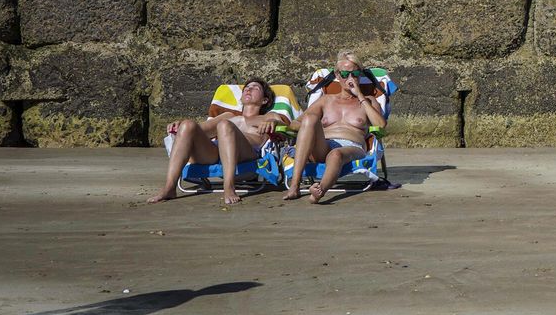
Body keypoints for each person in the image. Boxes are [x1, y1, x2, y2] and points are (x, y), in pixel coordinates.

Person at [150, 79, 291, 205]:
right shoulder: (228, 116)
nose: (249, 89)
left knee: (225, 125)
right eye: (247, 88)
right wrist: (180, 126)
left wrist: (273, 123)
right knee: (188, 125)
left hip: (247, 156)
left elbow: (282, 127)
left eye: (255, 88)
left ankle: (228, 186)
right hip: (216, 154)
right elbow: (200, 129)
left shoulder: (268, 117)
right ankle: (169, 187)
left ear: (264, 100)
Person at [285, 51, 387, 202]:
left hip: (352, 147)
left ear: (360, 75)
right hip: (323, 145)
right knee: (310, 118)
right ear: (337, 76)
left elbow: (381, 125)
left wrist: (359, 95)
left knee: (336, 155)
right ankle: (294, 186)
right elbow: (296, 123)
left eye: (355, 73)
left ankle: (320, 190)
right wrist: (307, 128)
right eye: (345, 74)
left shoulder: (369, 101)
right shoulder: (326, 100)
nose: (350, 78)